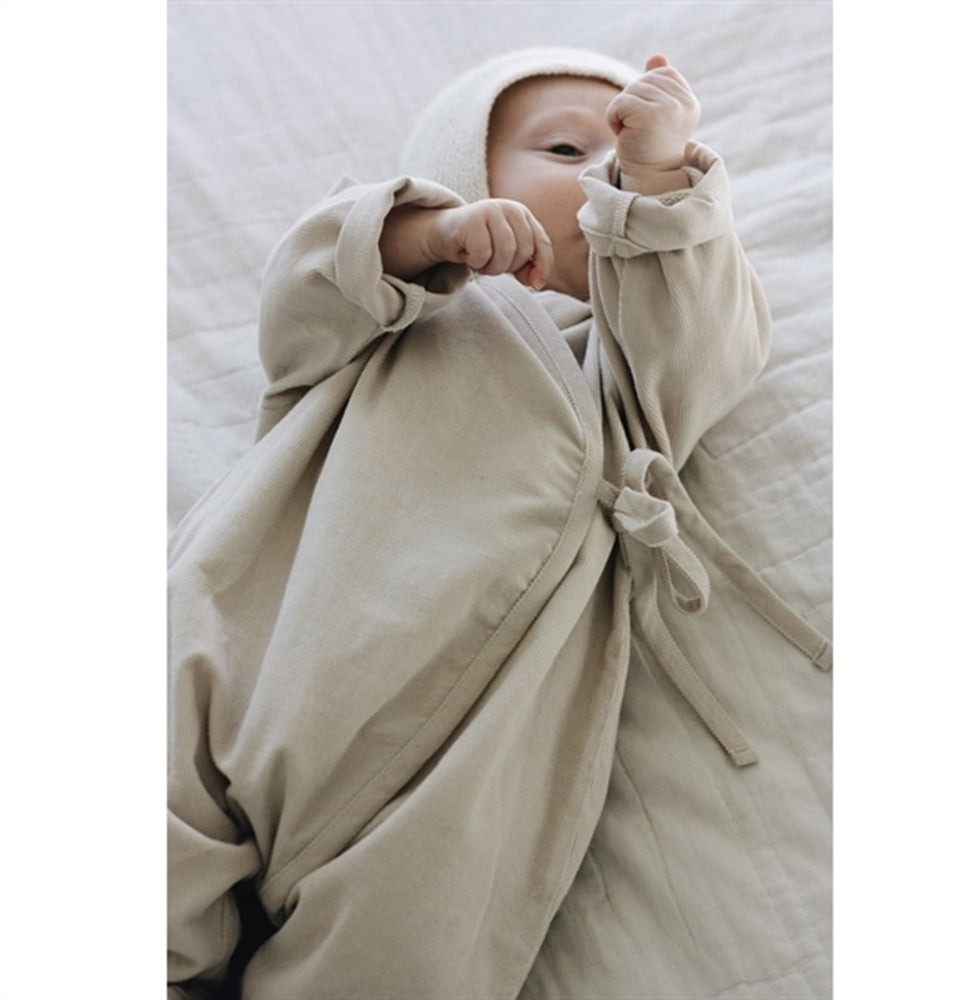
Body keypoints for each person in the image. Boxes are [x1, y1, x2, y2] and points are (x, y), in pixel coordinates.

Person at [168, 47, 832, 999]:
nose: (602, 175)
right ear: (458, 173)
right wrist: (427, 235)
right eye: (566, 149)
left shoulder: (627, 379)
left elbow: (708, 341)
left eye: (619, 164)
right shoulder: (384, 325)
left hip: (461, 760)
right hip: (237, 654)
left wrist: (658, 177)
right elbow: (308, 280)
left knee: (405, 954)